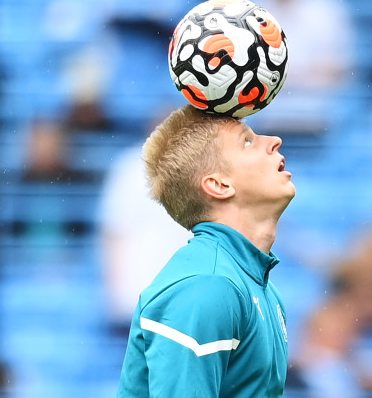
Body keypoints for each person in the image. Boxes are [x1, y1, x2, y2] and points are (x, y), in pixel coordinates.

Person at [117, 104, 296, 397]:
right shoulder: (206, 285)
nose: (273, 141)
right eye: (247, 142)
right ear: (218, 184)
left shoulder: (257, 286)